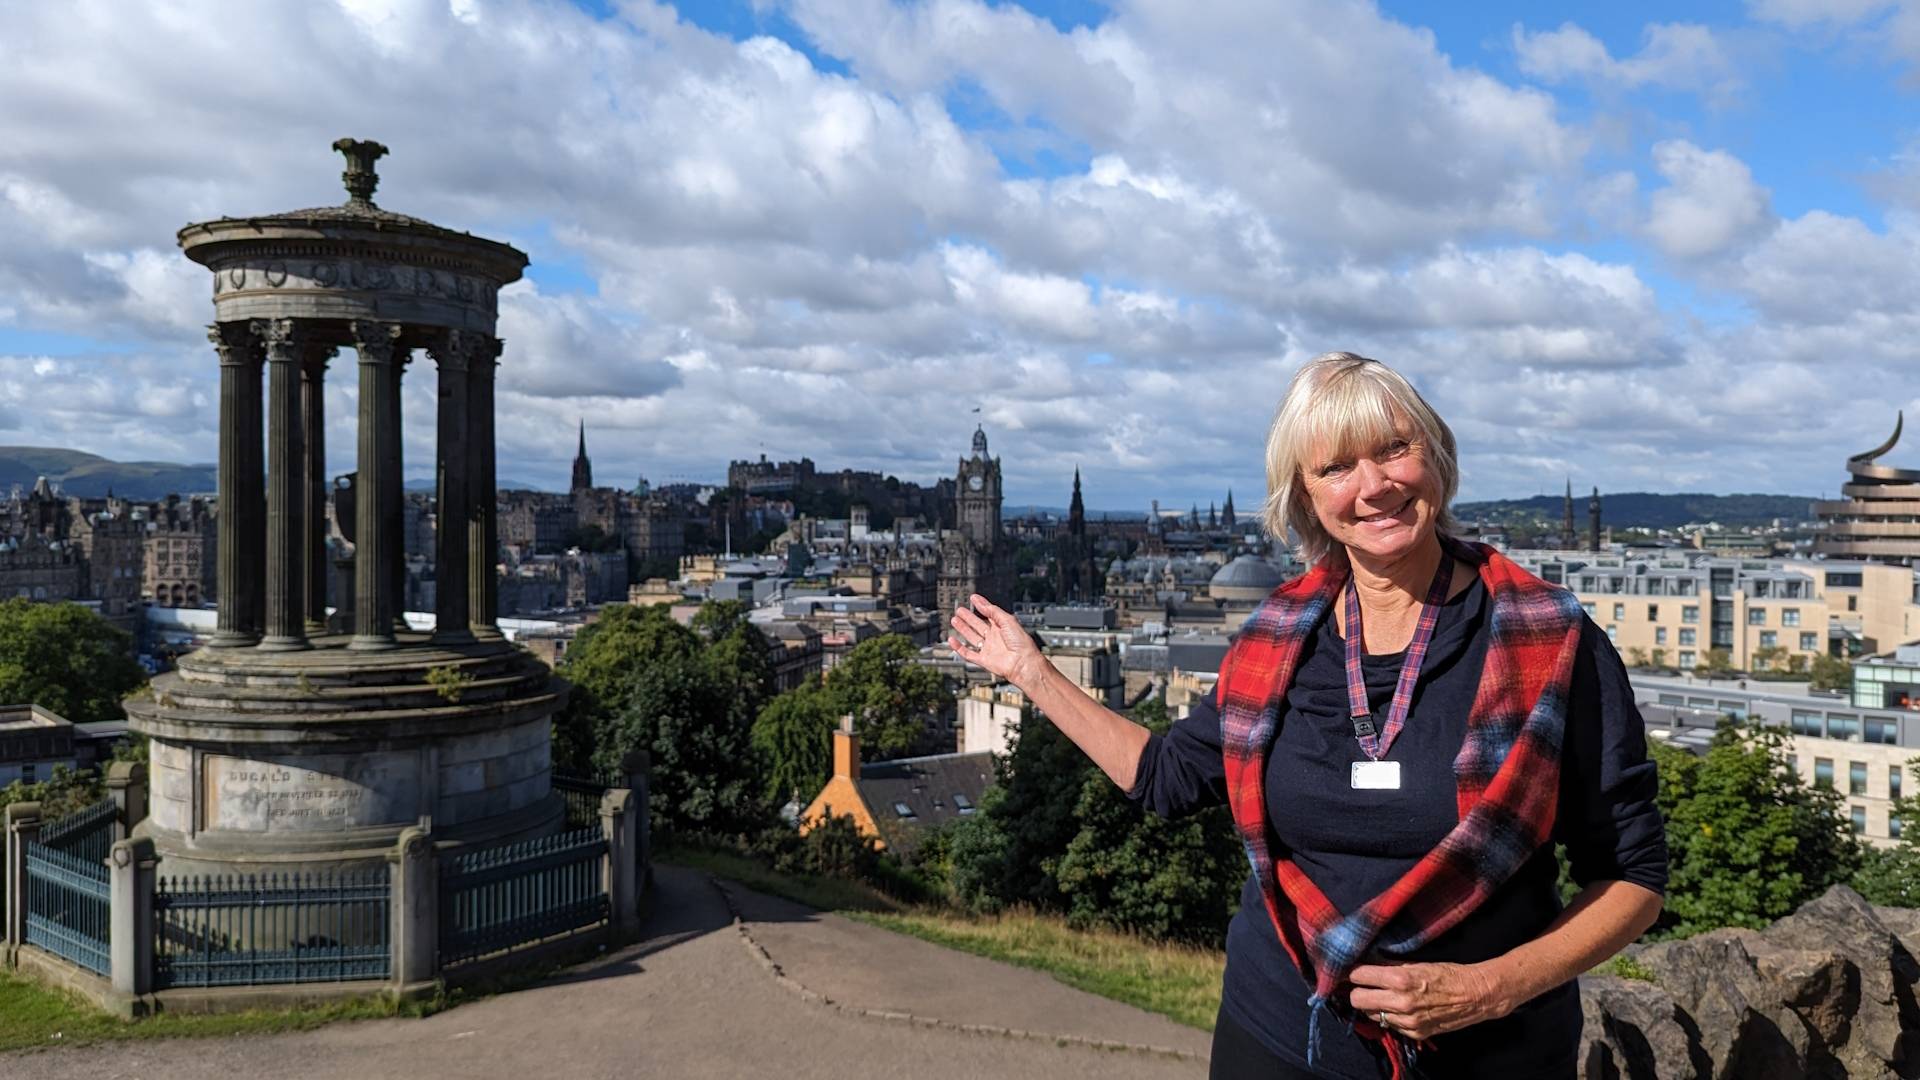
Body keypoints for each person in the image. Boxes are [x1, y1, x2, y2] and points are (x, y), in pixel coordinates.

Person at [946, 352, 1666, 1079]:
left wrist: (1489, 987)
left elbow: (1633, 874)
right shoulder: (1275, 639)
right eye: (1335, 467)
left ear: (1437, 456)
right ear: (1304, 495)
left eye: (1394, 449)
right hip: (1275, 1036)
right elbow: (1168, 777)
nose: (1374, 486)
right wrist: (1032, 671)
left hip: (1487, 1052)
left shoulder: (1548, 637)